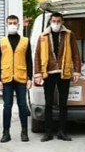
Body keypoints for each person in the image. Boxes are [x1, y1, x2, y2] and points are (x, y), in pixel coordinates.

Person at [34, 12, 81, 142]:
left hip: (63, 73)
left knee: (63, 104)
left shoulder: (69, 34)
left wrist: (77, 71)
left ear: (62, 22)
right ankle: (48, 132)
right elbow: (37, 55)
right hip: (48, 73)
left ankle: (62, 132)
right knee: (48, 103)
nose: (56, 23)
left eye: (58, 21)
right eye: (54, 21)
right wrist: (37, 74)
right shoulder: (43, 36)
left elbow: (76, 53)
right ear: (50, 21)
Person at [0, 15, 33, 143]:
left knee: (22, 105)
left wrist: (30, 78)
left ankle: (24, 132)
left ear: (18, 25)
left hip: (21, 78)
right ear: (6, 24)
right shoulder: (1, 41)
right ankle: (6, 133)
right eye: (10, 23)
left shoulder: (25, 41)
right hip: (6, 79)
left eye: (14, 23)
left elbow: (29, 60)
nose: (12, 25)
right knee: (7, 106)